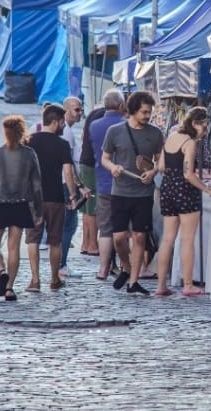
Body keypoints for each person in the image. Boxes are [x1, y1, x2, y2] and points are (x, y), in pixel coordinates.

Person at [101, 91, 164, 296]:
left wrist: (153, 171)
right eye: (144, 112)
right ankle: (126, 267)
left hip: (143, 193)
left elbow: (160, 160)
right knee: (119, 237)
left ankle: (133, 281)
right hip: (120, 191)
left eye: (149, 112)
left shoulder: (155, 133)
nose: (148, 116)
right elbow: (105, 158)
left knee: (139, 237)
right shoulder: (115, 131)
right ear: (133, 110)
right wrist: (113, 167)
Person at [0, 115, 43, 301]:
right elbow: (37, 185)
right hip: (20, 204)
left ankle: (1, 271)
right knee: (14, 248)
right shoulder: (30, 154)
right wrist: (38, 211)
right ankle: (9, 288)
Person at [154, 107, 211, 297]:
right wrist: (206, 188)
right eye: (204, 128)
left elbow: (161, 166)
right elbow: (188, 174)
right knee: (187, 238)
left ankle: (161, 285)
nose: (204, 133)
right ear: (196, 123)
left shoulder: (171, 137)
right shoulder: (189, 143)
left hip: (167, 188)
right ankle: (188, 284)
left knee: (167, 238)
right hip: (185, 191)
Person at [26, 104, 80, 291]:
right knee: (54, 240)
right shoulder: (62, 145)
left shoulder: (30, 141)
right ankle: (54, 279)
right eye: (63, 122)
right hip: (55, 197)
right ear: (55, 122)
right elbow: (68, 172)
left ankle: (34, 280)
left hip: (34, 197)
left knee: (33, 239)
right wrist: (73, 194)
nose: (64, 126)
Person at [89, 90, 125, 280]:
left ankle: (103, 268)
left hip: (102, 181)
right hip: (123, 183)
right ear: (121, 106)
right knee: (124, 228)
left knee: (105, 228)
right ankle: (124, 266)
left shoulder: (94, 125)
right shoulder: (125, 125)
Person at [58, 96, 86, 278]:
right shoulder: (66, 132)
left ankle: (60, 263)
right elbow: (68, 166)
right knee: (69, 224)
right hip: (64, 184)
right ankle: (61, 264)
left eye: (81, 109)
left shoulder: (67, 131)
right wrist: (76, 189)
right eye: (76, 109)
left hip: (63, 183)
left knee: (66, 225)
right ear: (66, 110)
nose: (80, 113)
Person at [78, 102, 107, 256]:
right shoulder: (104, 117)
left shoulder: (93, 114)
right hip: (92, 163)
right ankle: (92, 245)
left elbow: (83, 136)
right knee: (92, 206)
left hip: (85, 161)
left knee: (87, 206)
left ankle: (85, 243)